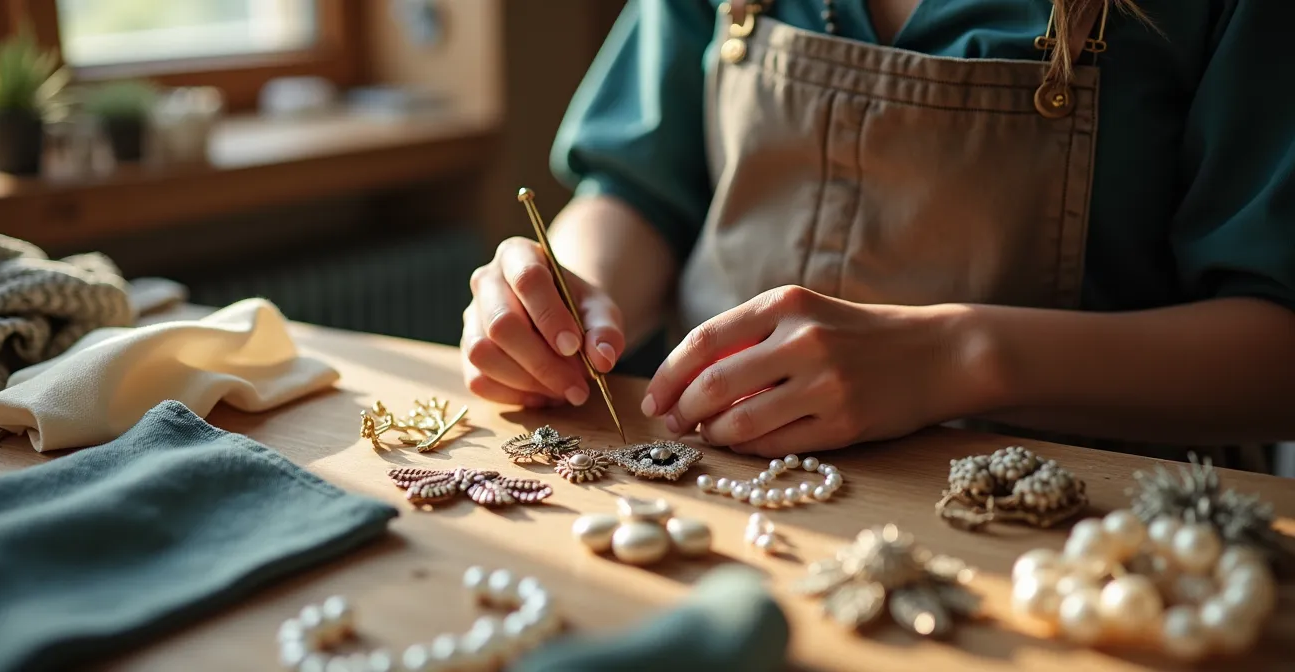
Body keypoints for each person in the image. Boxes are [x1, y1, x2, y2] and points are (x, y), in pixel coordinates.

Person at [461, 0, 1295, 468]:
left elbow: (1275, 353)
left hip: (1077, 540)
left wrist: (959, 357)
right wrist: (567, 292)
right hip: (715, 485)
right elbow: (640, 191)